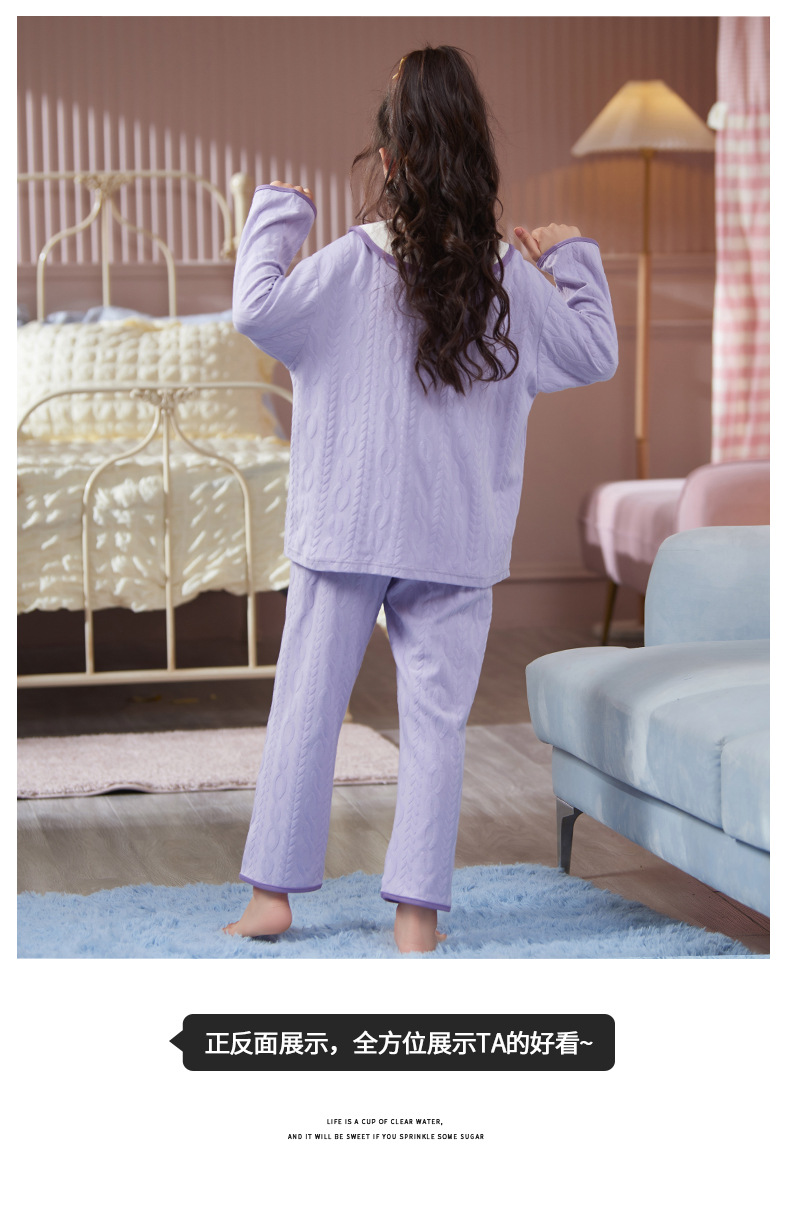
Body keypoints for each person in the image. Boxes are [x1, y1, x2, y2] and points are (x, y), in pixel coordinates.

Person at [224, 45, 617, 953]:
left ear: (390, 158)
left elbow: (255, 311)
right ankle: (416, 917)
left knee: (307, 705)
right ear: (476, 154)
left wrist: (281, 211)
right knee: (436, 725)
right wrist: (571, 256)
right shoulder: (511, 282)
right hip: (455, 539)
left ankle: (272, 897)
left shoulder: (348, 265)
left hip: (347, 526)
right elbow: (596, 351)